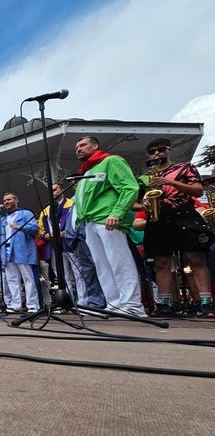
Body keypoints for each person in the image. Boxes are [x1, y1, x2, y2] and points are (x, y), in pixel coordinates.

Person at [73, 136, 146, 317]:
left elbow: (130, 188)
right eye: (77, 147)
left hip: (107, 220)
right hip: (89, 223)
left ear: (95, 145)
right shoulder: (86, 172)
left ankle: (132, 305)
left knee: (120, 262)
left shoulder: (111, 161)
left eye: (83, 145)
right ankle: (114, 304)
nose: (78, 149)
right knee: (102, 266)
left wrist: (117, 212)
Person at [140, 138, 214, 317]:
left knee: (194, 258)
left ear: (169, 150)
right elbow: (136, 203)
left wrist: (170, 182)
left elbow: (197, 190)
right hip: (159, 218)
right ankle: (165, 304)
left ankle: (206, 303)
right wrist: (146, 205)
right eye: (152, 151)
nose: (156, 153)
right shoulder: (146, 176)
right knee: (161, 262)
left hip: (183, 214)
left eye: (160, 149)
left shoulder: (185, 167)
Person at [0, 193, 39, 313]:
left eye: (9, 199)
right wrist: (1, 252)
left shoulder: (26, 213)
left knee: (28, 278)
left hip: (22, 250)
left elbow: (35, 229)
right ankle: (16, 304)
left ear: (16, 200)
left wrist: (19, 227)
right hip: (7, 252)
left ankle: (32, 304)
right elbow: (1, 237)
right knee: (12, 280)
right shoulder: (3, 219)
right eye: (4, 200)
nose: (6, 202)